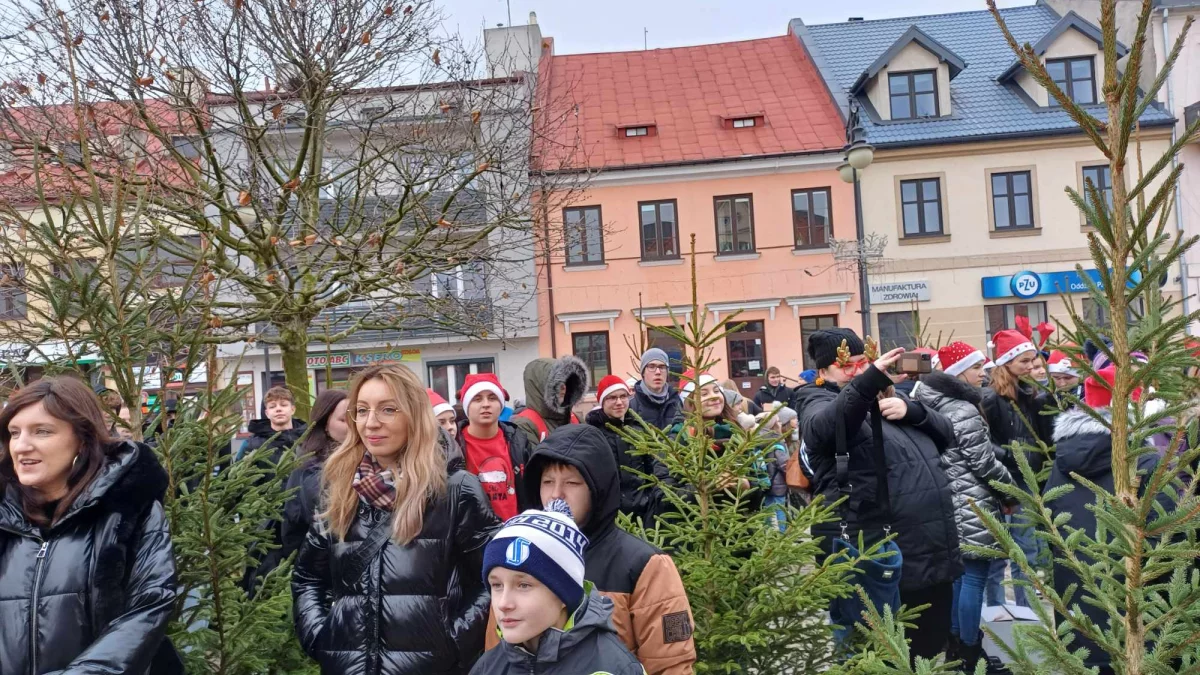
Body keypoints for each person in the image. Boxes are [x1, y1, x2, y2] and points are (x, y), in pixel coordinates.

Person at [292, 364, 501, 674]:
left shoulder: (456, 490)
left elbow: (493, 578)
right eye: (361, 411)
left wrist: (454, 642)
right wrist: (322, 638)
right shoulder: (339, 487)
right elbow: (308, 577)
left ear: (413, 415)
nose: (371, 423)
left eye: (388, 409)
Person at [793, 328, 961, 660]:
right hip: (879, 552)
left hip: (930, 552)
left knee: (927, 648)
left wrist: (914, 412)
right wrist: (868, 382)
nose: (857, 370)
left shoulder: (889, 396)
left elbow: (947, 435)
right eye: (847, 365)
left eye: (863, 362)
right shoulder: (815, 399)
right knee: (878, 654)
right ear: (823, 372)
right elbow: (827, 427)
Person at [0, 376, 182, 673]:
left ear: (82, 440)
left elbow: (148, 607)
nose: (21, 446)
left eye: (42, 432)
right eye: (13, 433)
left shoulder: (129, 508)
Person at [522, 425, 696, 674]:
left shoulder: (644, 565)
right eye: (547, 482)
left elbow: (671, 665)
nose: (556, 495)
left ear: (597, 488)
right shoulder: (523, 556)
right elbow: (502, 653)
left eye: (572, 483)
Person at [1045, 367, 1162, 675]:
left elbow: (1049, 521)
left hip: (1079, 599)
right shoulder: (1145, 461)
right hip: (1137, 611)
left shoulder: (1061, 461)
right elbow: (1170, 531)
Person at [915, 342, 1015, 671]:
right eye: (976, 369)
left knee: (960, 581)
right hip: (973, 503)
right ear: (958, 372)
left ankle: (958, 650)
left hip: (948, 502)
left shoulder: (928, 404)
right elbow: (983, 463)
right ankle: (970, 653)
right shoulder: (962, 410)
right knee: (973, 579)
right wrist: (1011, 490)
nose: (983, 374)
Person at [472, 500, 646, 675]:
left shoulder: (615, 668)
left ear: (564, 594)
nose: (504, 603)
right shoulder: (487, 668)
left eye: (523, 585)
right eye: (497, 585)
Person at [981, 328, 1054, 609]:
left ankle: (1027, 609)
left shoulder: (1031, 395)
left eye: (1034, 361)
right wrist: (1013, 455)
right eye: (1024, 362)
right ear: (1007, 363)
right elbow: (984, 441)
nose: (1031, 367)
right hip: (1001, 480)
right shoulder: (990, 399)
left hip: (1028, 480)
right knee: (998, 549)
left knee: (1028, 547)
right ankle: (997, 608)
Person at [585, 375, 667, 525]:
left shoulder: (640, 429)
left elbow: (654, 466)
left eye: (623, 396)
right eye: (612, 398)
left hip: (645, 512)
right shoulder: (592, 434)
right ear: (602, 402)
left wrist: (651, 498)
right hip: (611, 515)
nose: (619, 402)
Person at [281, 389, 349, 559]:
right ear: (325, 424)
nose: (354, 425)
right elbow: (294, 524)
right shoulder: (311, 469)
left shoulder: (375, 458)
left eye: (357, 416)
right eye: (344, 420)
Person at [457, 373, 535, 520]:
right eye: (477, 399)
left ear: (501, 405)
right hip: (471, 538)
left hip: (514, 531)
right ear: (467, 406)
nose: (486, 404)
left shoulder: (519, 441)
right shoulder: (454, 445)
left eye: (492, 398)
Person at [512, 356, 588, 444]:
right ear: (541, 387)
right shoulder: (524, 425)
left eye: (566, 381)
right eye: (557, 381)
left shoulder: (576, 420)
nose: (563, 386)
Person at [237, 385, 307, 463]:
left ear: (292, 409)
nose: (278, 409)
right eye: (272, 406)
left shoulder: (308, 439)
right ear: (267, 413)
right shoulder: (251, 445)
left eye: (283, 405)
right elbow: (236, 472)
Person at [630, 348, 683, 430]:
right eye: (651, 366)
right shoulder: (631, 405)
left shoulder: (677, 401)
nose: (658, 372)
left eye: (662, 367)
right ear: (643, 372)